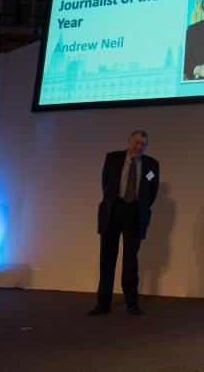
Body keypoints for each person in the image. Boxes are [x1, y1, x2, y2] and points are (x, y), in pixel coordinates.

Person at [87, 130, 160, 316]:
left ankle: (131, 303)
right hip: (113, 210)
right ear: (129, 141)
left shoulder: (152, 165)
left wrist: (140, 206)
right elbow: (105, 184)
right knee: (107, 258)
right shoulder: (112, 158)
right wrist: (114, 202)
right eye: (136, 142)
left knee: (130, 260)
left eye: (143, 144)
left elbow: (152, 193)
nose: (139, 147)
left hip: (135, 212)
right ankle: (103, 303)